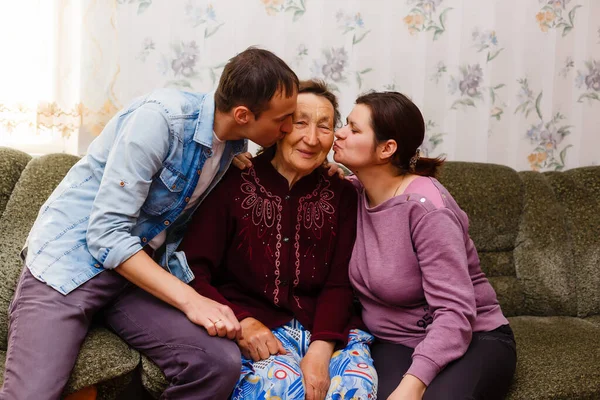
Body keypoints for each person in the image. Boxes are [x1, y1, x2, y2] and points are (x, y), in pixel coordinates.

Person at [1, 47, 299, 400]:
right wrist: (191, 300)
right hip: (71, 265)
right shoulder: (159, 120)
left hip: (132, 278)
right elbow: (106, 235)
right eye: (284, 118)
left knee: (217, 363)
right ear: (243, 114)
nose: (289, 127)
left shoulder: (232, 144)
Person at [181, 80, 377, 400]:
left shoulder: (343, 193)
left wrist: (319, 350)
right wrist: (240, 321)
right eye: (299, 122)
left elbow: (339, 284)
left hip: (327, 329)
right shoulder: (231, 180)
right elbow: (193, 270)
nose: (311, 139)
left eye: (324, 127)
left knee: (355, 387)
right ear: (279, 126)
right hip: (253, 327)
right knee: (282, 388)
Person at [332, 91, 517, 399]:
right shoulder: (351, 193)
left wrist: (413, 384)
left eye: (353, 128)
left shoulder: (427, 209)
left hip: (471, 337)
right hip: (394, 341)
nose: (340, 133)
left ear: (386, 148)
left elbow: (455, 310)